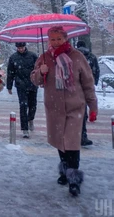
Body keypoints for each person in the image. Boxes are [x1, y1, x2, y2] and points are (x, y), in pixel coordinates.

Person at [31, 26, 97, 197]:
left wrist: (93, 106)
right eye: (52, 39)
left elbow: (88, 83)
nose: (55, 42)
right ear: (48, 40)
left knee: (72, 142)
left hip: (75, 106)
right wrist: (40, 72)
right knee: (60, 141)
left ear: (66, 38)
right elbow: (35, 79)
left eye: (59, 38)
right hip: (54, 107)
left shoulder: (77, 57)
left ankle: (74, 180)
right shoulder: (45, 58)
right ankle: (65, 170)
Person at [6, 42, 38, 139]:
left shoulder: (33, 56)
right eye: (18, 48)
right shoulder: (13, 58)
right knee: (23, 106)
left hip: (32, 84)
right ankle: (25, 129)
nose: (20, 49)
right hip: (21, 85)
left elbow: (38, 69)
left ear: (25, 47)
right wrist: (9, 86)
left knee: (33, 105)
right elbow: (10, 73)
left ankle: (30, 119)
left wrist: (40, 80)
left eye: (22, 47)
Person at [76, 41, 100, 146]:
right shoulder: (91, 56)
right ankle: (83, 136)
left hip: (75, 89)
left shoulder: (74, 56)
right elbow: (96, 71)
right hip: (86, 87)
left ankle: (75, 135)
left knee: (76, 113)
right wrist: (93, 82)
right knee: (83, 112)